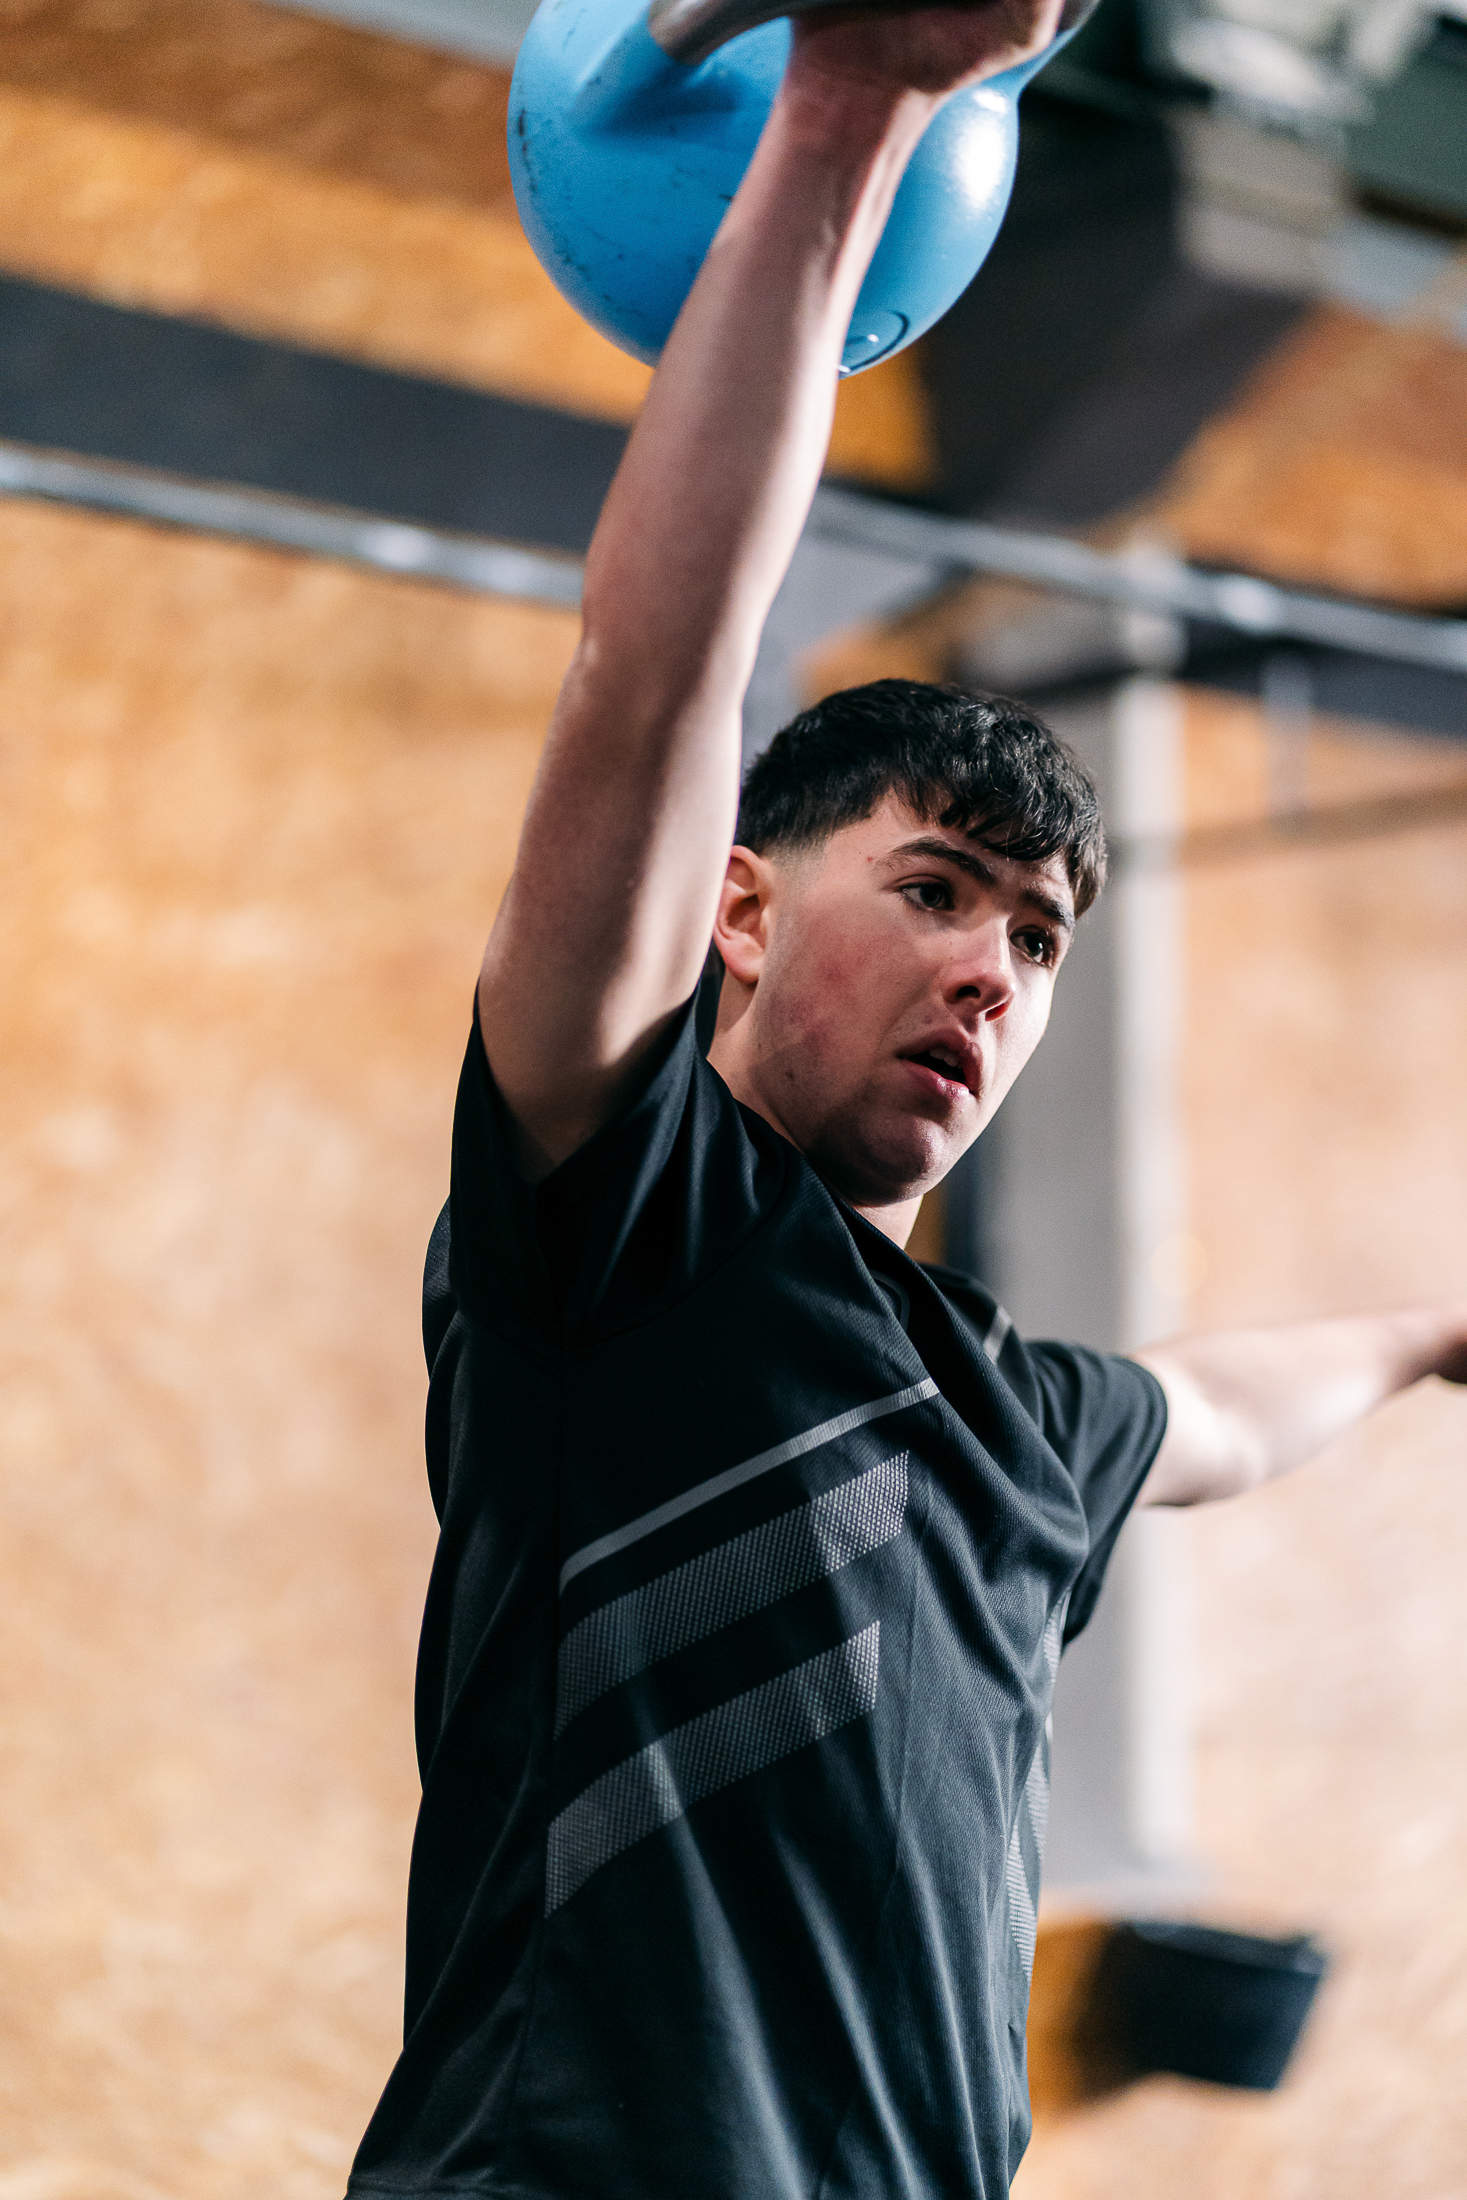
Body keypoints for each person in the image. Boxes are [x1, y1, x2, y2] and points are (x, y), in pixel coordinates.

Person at [345, 4, 1467, 2195]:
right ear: (741, 911)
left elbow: (1224, 1409)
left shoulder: (1021, 1424)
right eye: (935, 889)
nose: (988, 967)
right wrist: (853, 107)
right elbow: (658, 668)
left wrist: (1436, 1332)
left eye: (1036, 940)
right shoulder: (628, 1216)